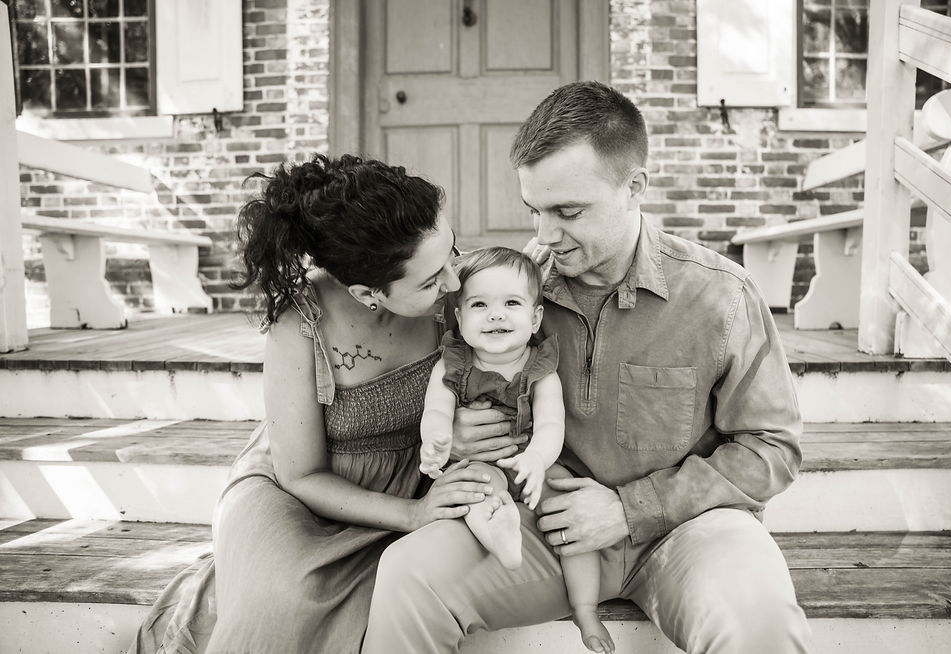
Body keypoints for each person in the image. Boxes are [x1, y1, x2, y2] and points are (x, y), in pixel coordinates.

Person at [363, 81, 811, 653]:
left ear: (634, 188)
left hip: (690, 531)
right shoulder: (512, 294)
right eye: (534, 210)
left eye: (567, 211)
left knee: (760, 622)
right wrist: (456, 433)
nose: (545, 235)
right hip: (543, 526)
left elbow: (772, 448)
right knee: (407, 575)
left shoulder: (720, 295)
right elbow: (454, 383)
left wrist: (629, 509)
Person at [129, 154, 497, 654]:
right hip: (300, 492)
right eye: (431, 282)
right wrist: (411, 515)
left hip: (415, 477)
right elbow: (300, 474)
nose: (454, 282)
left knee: (411, 594)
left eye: (451, 252)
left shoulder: (458, 286)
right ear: (369, 292)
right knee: (288, 596)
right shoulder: (299, 323)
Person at [419, 246, 613, 653]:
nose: (496, 314)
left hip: (533, 460)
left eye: (511, 303)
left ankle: (585, 609)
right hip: (481, 461)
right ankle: (501, 534)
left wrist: (537, 460)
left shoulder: (540, 368)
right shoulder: (453, 363)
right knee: (476, 488)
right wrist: (435, 441)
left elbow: (550, 424)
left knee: (570, 513)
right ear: (458, 316)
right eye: (479, 304)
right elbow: (437, 409)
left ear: (535, 317)